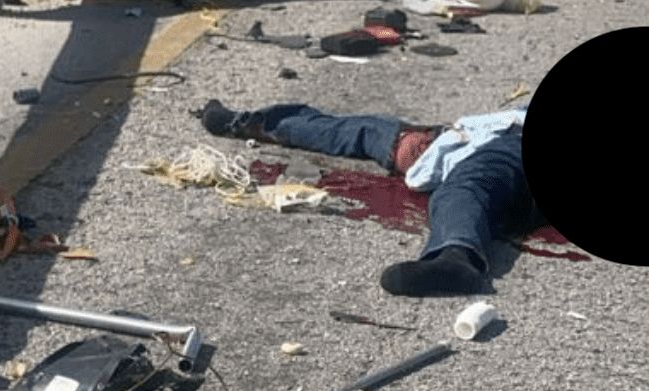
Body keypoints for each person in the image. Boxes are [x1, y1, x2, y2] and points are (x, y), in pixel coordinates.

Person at [197, 99, 544, 297]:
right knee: (366, 131)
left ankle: (457, 259)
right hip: (471, 138)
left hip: (505, 144)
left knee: (468, 184)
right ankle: (244, 123)